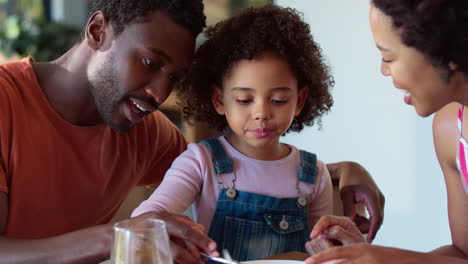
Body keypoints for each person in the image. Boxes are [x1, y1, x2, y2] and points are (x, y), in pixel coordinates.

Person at [0, 0, 383, 263]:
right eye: (150, 62)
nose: (159, 93)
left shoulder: (146, 132)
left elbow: (242, 167)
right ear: (98, 30)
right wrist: (117, 235)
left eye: (175, 78)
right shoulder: (6, 101)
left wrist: (340, 169)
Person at [130, 4, 369, 262]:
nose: (261, 113)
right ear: (219, 100)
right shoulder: (201, 161)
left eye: (278, 100)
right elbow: (145, 221)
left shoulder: (314, 175)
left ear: (299, 101)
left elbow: (317, 254)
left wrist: (334, 247)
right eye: (244, 99)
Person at [305, 0, 468, 263]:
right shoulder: (451, 129)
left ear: (445, 51)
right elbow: (463, 254)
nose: (383, 70)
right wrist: (365, 255)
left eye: (388, 57)